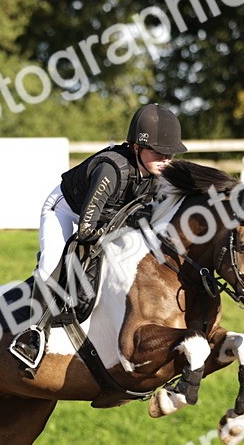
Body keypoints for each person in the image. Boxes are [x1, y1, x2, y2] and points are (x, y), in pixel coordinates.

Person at [10, 103, 187, 368]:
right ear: (137, 148)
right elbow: (86, 230)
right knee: (52, 262)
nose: (166, 160)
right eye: (159, 153)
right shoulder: (111, 170)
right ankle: (32, 334)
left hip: (105, 217)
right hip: (66, 211)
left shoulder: (154, 173)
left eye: (170, 154)